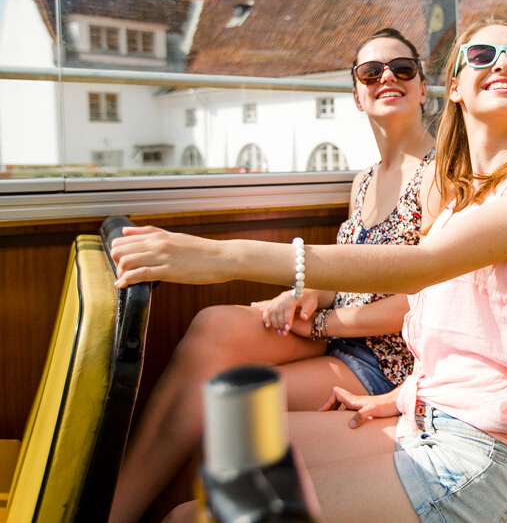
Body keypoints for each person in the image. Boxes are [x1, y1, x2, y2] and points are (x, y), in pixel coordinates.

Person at [111, 14, 507, 523]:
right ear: (455, 89)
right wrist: (404, 395)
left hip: (483, 455)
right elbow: (459, 334)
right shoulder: (460, 203)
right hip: (425, 418)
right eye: (482, 56)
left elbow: (421, 268)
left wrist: (223, 256)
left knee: (194, 518)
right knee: (227, 444)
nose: (503, 65)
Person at [108, 28, 437, 523]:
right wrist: (303, 294)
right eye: (371, 72)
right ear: (356, 93)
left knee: (228, 406)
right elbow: (347, 264)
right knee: (215, 327)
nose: (387, 77)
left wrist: (322, 325)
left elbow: (427, 301)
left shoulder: (438, 175)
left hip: (382, 362)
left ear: (423, 86)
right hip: (335, 336)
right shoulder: (364, 179)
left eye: (402, 69)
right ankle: (111, 510)